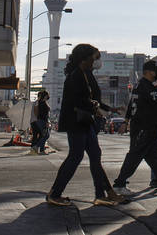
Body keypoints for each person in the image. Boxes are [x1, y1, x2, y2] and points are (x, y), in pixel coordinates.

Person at [47, 44, 123, 208]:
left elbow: (93, 98)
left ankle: (104, 194)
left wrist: (108, 109)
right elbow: (79, 100)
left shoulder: (86, 74)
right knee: (76, 156)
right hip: (76, 122)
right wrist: (95, 107)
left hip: (84, 121)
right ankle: (55, 193)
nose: (96, 61)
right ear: (84, 59)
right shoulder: (76, 76)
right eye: (94, 58)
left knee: (95, 155)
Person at [112, 60, 157, 196]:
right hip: (144, 128)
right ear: (148, 72)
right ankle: (119, 184)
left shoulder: (139, 86)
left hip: (145, 128)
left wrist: (126, 121)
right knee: (135, 156)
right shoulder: (147, 87)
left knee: (154, 157)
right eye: (155, 71)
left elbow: (131, 105)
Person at [31, 90, 51, 155]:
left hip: (41, 120)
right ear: (44, 96)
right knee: (46, 135)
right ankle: (37, 146)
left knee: (44, 135)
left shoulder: (42, 102)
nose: (48, 96)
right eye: (47, 95)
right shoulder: (42, 103)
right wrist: (46, 122)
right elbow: (42, 114)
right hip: (42, 120)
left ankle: (41, 150)